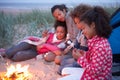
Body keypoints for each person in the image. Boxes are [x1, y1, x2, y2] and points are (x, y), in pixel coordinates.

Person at [58, 6, 113, 80]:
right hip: (90, 73)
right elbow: (92, 59)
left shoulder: (101, 47)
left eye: (84, 28)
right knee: (65, 71)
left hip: (97, 77)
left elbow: (94, 71)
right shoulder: (95, 40)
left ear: (93, 25)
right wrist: (83, 55)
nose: (82, 31)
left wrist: (80, 58)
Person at [1, 21, 67, 62]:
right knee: (18, 48)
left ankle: (7, 54)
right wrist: (44, 38)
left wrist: (44, 45)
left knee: (17, 56)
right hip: (33, 44)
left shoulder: (62, 42)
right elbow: (42, 39)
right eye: (57, 31)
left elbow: (57, 51)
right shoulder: (51, 34)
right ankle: (5, 53)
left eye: (62, 32)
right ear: (55, 31)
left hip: (36, 52)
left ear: (65, 32)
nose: (59, 34)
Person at [57, 4, 92, 75]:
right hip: (79, 58)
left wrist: (78, 55)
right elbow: (76, 43)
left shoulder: (86, 35)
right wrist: (75, 49)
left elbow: (85, 53)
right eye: (75, 23)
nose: (77, 26)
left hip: (83, 61)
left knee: (61, 69)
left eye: (77, 23)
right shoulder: (81, 32)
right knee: (63, 62)